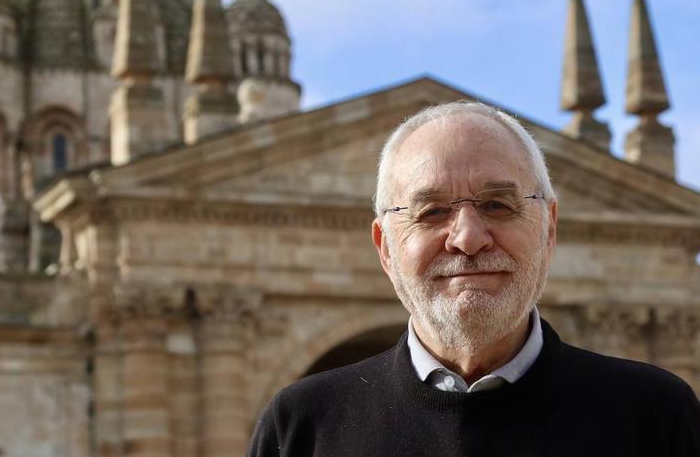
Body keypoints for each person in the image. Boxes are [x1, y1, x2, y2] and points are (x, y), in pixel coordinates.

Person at [246, 101, 700, 456]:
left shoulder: (658, 416)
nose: (467, 238)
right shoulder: (300, 426)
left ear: (549, 228)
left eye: (498, 205)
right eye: (431, 211)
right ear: (385, 246)